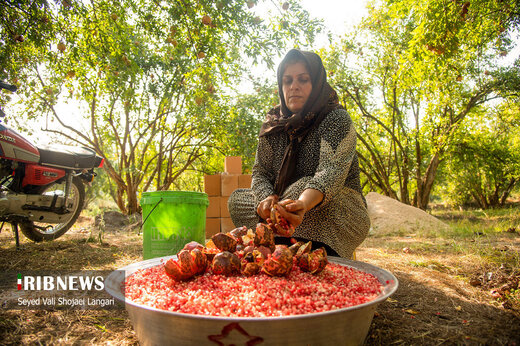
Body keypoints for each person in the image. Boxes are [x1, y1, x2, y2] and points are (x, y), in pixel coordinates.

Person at [228, 48, 370, 259]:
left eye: (303, 79)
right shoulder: (273, 125)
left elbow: (330, 173)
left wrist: (302, 203)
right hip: (283, 205)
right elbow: (261, 172)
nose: (293, 86)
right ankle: (280, 239)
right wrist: (265, 201)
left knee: (298, 189)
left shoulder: (335, 119)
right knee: (237, 200)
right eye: (287, 81)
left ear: (316, 83)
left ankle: (289, 242)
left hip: (333, 209)